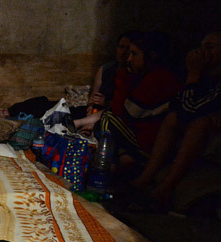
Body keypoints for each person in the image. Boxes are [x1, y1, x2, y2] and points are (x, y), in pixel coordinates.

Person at [130, 32, 221, 207]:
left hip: (203, 125)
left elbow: (191, 109)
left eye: (209, 48)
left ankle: (165, 189)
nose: (203, 54)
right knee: (172, 118)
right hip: (194, 117)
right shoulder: (207, 76)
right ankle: (145, 178)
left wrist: (193, 76)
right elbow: (178, 106)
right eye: (201, 48)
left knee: (199, 124)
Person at [74, 31, 182, 168]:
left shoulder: (155, 78)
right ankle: (121, 157)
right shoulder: (110, 70)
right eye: (122, 48)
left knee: (107, 119)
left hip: (148, 139)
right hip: (136, 129)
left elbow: (121, 111)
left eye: (134, 54)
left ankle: (109, 167)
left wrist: (124, 76)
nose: (128, 58)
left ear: (151, 56)